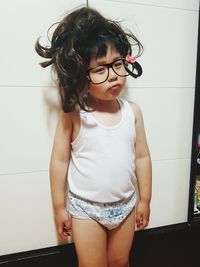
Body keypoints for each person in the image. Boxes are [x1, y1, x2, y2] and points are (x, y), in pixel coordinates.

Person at [35, 6, 152, 267]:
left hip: (126, 205)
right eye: (100, 69)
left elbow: (142, 157)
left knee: (120, 261)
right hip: (86, 210)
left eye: (118, 64)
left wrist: (144, 199)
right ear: (81, 76)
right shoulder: (74, 115)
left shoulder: (133, 113)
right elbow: (59, 162)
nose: (113, 75)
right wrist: (58, 207)